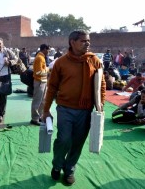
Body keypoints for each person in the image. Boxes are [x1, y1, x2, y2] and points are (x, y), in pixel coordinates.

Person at [42, 30, 105, 185]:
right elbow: (52, 87)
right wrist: (46, 109)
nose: (87, 43)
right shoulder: (61, 62)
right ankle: (57, 166)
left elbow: (101, 83)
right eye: (83, 41)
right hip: (65, 108)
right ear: (72, 42)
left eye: (88, 41)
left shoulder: (94, 61)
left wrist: (100, 103)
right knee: (64, 140)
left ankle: (69, 170)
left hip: (85, 110)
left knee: (77, 142)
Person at [30, 44, 50, 126]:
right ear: (45, 49)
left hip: (43, 81)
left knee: (43, 101)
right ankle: (34, 118)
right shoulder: (39, 58)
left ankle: (39, 116)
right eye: (48, 50)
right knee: (37, 101)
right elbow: (38, 72)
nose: (48, 52)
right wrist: (48, 70)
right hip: (39, 81)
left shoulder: (41, 57)